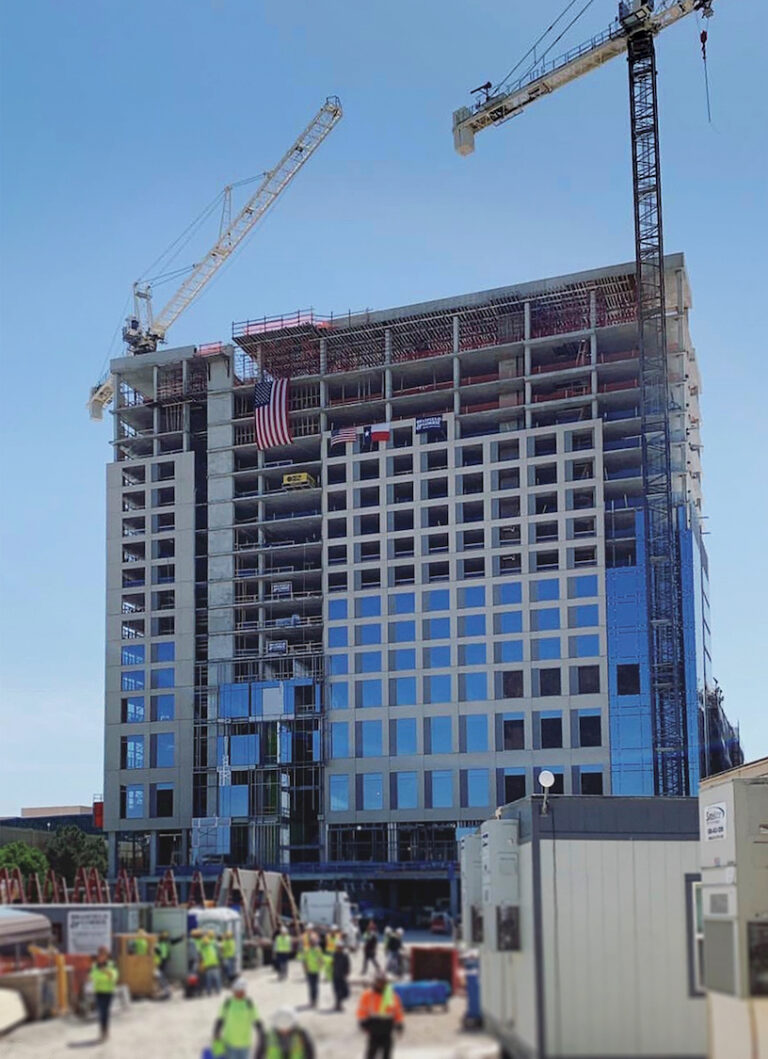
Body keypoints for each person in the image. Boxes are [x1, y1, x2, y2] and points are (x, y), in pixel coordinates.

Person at [357, 971, 404, 1059]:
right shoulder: (368, 995)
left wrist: (399, 1024)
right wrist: (362, 1022)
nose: (381, 984)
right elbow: (362, 1010)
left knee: (387, 1054)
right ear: (375, 982)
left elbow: (397, 1011)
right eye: (379, 982)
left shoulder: (391, 995)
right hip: (373, 1027)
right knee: (371, 1053)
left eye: (383, 982)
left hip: (387, 1028)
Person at [212, 977, 262, 1059]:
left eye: (241, 991)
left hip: (245, 1045)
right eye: (237, 991)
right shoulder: (227, 1003)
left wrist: (261, 1034)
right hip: (230, 1043)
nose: (239, 993)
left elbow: (256, 1021)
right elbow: (220, 1019)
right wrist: (216, 1032)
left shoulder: (249, 1004)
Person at [90, 946, 119, 1042]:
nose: (101, 957)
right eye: (100, 954)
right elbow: (93, 976)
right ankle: (103, 1031)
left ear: (107, 956)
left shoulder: (112, 964)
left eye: (103, 954)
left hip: (109, 991)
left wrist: (104, 973)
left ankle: (105, 1031)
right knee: (101, 1012)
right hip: (99, 991)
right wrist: (106, 974)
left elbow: (114, 976)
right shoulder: (95, 965)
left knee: (106, 1012)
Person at [300, 933, 323, 1009]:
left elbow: (320, 959)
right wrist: (305, 968)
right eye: (311, 941)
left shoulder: (318, 949)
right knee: (311, 986)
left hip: (316, 970)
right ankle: (311, 1000)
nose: (313, 942)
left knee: (315, 986)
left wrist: (321, 965)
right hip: (309, 971)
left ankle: (315, 1000)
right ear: (309, 942)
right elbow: (304, 960)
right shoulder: (306, 950)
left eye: (314, 941)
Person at [200, 930, 223, 996]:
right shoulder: (212, 944)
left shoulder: (204, 947)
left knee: (209, 979)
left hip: (210, 965)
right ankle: (217, 991)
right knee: (216, 979)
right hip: (213, 964)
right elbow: (219, 951)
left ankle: (210, 992)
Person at [331, 940, 351, 1013]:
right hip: (335, 975)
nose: (339, 948)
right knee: (337, 991)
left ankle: (338, 1003)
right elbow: (332, 963)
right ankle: (338, 1004)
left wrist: (347, 972)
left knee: (346, 992)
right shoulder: (334, 954)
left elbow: (348, 964)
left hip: (342, 976)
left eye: (340, 947)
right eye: (338, 947)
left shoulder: (345, 955)